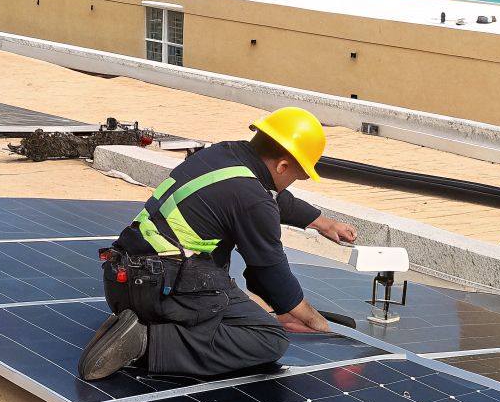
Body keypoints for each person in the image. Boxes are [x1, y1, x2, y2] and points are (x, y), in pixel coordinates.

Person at [78, 106, 357, 381]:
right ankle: (143, 342)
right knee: (268, 337)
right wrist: (315, 321)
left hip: (122, 280)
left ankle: (137, 326)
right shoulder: (253, 198)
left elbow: (272, 197)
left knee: (252, 302)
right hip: (160, 290)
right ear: (283, 166)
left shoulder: (223, 155)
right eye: (296, 176)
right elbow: (269, 275)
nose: (292, 182)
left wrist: (323, 223)